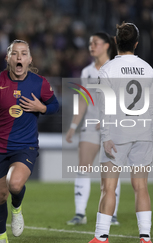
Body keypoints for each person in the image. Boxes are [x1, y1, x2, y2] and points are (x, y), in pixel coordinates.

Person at [0, 39, 59, 243]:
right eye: (15, 53)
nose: (19, 57)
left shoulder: (40, 83)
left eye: (23, 53)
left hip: (25, 146)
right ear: (8, 58)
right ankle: (1, 237)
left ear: (29, 59)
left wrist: (41, 107)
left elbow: (55, 105)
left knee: (15, 185)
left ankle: (16, 209)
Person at [78, 22, 153, 243]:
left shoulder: (108, 69)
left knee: (109, 188)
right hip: (143, 133)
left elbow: (104, 106)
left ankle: (101, 239)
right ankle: (146, 239)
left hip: (117, 134)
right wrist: (150, 135)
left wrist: (105, 136)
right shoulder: (148, 69)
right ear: (136, 43)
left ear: (115, 42)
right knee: (141, 186)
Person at [66, 32, 121, 226]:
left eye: (96, 43)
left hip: (112, 128)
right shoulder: (87, 71)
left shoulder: (116, 69)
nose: (92, 46)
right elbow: (83, 100)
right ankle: (80, 213)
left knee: (111, 171)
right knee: (83, 166)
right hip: (90, 125)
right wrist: (73, 126)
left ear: (107, 46)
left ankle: (111, 213)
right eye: (90, 43)